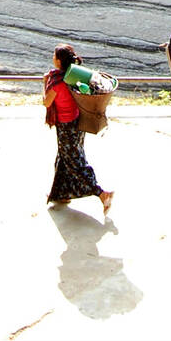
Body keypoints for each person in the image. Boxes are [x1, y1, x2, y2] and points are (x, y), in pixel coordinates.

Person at [43, 43, 113, 216]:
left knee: (74, 162)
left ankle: (102, 194)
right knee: (64, 158)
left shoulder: (56, 82)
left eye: (54, 56)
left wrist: (44, 84)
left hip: (66, 126)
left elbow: (46, 102)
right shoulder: (73, 76)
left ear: (59, 61)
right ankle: (60, 194)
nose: (52, 58)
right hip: (77, 122)